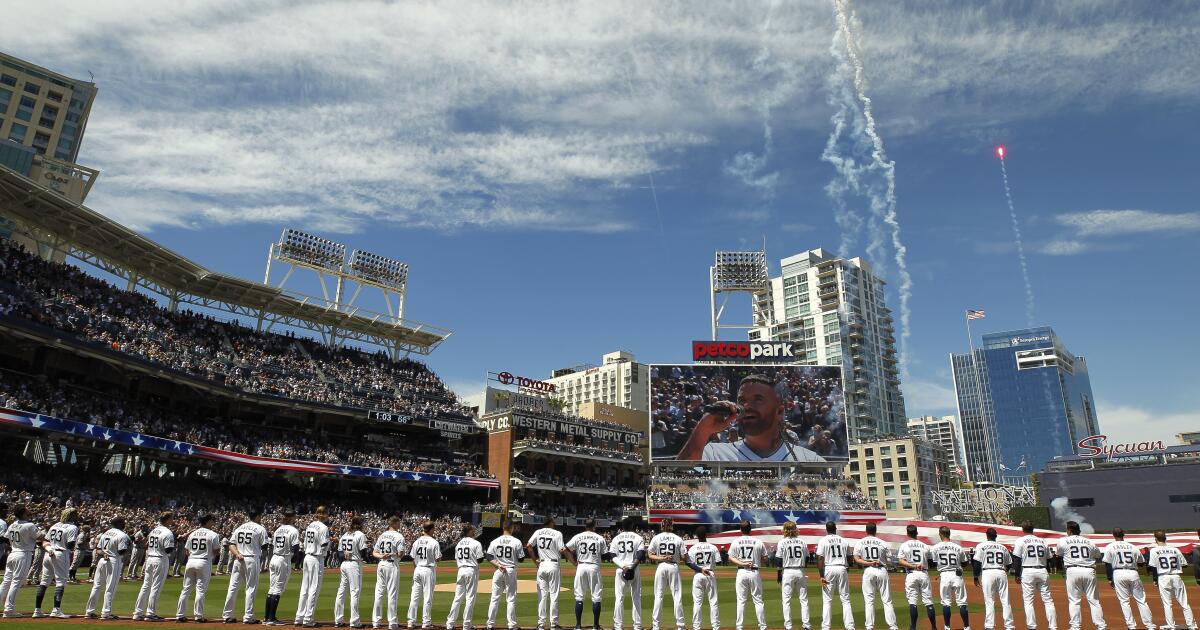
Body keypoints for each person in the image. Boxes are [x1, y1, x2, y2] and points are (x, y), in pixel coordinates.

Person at [676, 374, 825, 462]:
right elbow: (674, 481)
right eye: (741, 400)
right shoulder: (714, 453)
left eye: (758, 399)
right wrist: (703, 429)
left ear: (779, 412)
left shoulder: (809, 460)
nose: (746, 406)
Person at [1102, 528, 1155, 630]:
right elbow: (1141, 563)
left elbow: (1108, 564)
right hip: (1133, 572)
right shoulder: (1133, 547)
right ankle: (1150, 626)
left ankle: (1131, 626)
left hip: (1118, 573)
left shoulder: (1110, 547)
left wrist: (1110, 578)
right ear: (1123, 535)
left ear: (1113, 535)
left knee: (1124, 601)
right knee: (1141, 600)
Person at [1056, 521, 1106, 630]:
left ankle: (1075, 626)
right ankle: (1101, 626)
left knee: (1074, 601)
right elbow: (1098, 555)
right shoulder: (1089, 541)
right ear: (1079, 531)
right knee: (1094, 601)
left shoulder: (1063, 540)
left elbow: (1058, 554)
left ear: (1069, 530)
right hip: (1089, 570)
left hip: (1072, 570)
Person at [32, 507, 80, 619]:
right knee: (60, 582)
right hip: (61, 554)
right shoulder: (72, 527)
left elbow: (45, 541)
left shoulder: (55, 525)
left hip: (49, 553)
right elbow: (70, 545)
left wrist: (49, 549)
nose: (77, 516)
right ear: (71, 516)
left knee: (44, 582)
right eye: (75, 514)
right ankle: (56, 610)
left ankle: (37, 610)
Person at [224, 511, 270, 624]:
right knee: (251, 588)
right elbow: (265, 547)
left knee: (233, 587)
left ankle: (227, 615)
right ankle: (249, 616)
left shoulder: (240, 527)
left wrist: (237, 554)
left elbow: (231, 544)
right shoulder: (260, 528)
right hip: (252, 559)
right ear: (258, 516)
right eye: (261, 516)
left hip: (238, 559)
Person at [83, 516, 131, 620]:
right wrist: (128, 548)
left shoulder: (106, 533)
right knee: (110, 587)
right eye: (123, 522)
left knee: (96, 586)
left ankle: (89, 611)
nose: (124, 524)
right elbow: (121, 551)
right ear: (119, 524)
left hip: (102, 561)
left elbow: (98, 549)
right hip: (114, 560)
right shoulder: (122, 535)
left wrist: (104, 553)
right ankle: (106, 613)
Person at [176, 513, 222, 623]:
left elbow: (187, 550)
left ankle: (180, 615)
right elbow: (216, 551)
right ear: (208, 521)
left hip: (191, 561)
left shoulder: (193, 533)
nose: (213, 522)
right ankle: (198, 616)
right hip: (204, 561)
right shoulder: (213, 534)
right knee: (200, 590)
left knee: (186, 589)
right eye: (212, 520)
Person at [1147, 530, 1195, 630]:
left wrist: (1155, 579)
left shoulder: (1154, 550)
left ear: (1156, 539)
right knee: (1184, 602)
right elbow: (1184, 564)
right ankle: (1191, 626)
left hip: (1163, 577)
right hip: (1176, 576)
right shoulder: (1175, 549)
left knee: (1167, 603)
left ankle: (1171, 626)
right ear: (1166, 538)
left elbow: (1153, 567)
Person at [1012, 521, 1056, 630]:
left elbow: (1017, 559)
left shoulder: (1020, 540)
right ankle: (1053, 627)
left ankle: (1032, 627)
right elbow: (1051, 559)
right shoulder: (1042, 541)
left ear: (1023, 529)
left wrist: (1017, 575)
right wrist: (1049, 570)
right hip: (1042, 570)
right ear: (1033, 529)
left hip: (1028, 571)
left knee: (1028, 601)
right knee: (1048, 600)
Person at [132, 511, 175, 621]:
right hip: (160, 559)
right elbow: (168, 549)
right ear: (168, 519)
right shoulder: (168, 532)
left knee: (146, 586)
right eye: (171, 518)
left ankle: (138, 612)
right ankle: (150, 613)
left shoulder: (153, 530)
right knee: (156, 586)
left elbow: (147, 544)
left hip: (150, 559)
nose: (173, 520)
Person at [854, 522, 898, 630]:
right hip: (881, 569)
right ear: (875, 531)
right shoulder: (883, 543)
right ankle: (893, 626)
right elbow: (889, 560)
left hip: (868, 570)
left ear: (866, 531)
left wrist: (869, 563)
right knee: (887, 600)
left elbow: (857, 559)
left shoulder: (860, 542)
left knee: (869, 601)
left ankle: (869, 626)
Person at [566, 518, 608, 630]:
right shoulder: (599, 538)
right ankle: (595, 626)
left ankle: (578, 625)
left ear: (585, 526)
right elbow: (605, 554)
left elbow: (564, 549)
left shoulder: (578, 536)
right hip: (594, 566)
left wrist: (573, 562)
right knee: (596, 597)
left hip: (581, 566)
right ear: (594, 526)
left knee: (579, 596)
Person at [527, 517, 567, 630]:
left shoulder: (538, 532)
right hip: (553, 565)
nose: (554, 523)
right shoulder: (557, 533)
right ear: (550, 523)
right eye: (553, 521)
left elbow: (529, 546)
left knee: (542, 596)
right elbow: (562, 550)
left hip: (542, 565)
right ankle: (554, 624)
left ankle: (541, 623)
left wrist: (535, 561)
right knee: (554, 595)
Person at [0, 506, 40, 618]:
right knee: (16, 582)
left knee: (6, 581)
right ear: (23, 514)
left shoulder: (12, 524)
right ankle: (9, 609)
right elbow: (40, 536)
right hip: (23, 554)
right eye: (27, 512)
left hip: (12, 553)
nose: (30, 513)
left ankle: (8, 608)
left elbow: (6, 538)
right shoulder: (29, 525)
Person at [929, 526, 971, 630]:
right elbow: (965, 563)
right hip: (957, 575)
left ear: (940, 534)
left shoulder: (935, 547)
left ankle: (947, 627)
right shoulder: (958, 547)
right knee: (962, 602)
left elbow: (933, 564)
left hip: (944, 575)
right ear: (949, 534)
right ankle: (966, 627)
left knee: (946, 603)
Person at [485, 519, 525, 630]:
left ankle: (490, 624)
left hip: (498, 570)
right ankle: (511, 625)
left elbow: (488, 557)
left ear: (503, 528)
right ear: (511, 528)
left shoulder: (495, 541)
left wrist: (498, 564)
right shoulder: (516, 541)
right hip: (510, 570)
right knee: (511, 599)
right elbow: (521, 559)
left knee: (494, 598)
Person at [296, 506, 332, 628]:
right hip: (316, 558)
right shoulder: (323, 527)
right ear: (325, 514)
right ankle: (308, 619)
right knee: (314, 588)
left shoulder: (310, 525)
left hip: (307, 556)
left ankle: (299, 617)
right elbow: (324, 544)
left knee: (304, 588)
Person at [728, 520, 768, 630]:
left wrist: (742, 563)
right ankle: (763, 626)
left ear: (741, 529)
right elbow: (765, 558)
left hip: (741, 571)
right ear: (751, 529)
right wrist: (757, 560)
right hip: (754, 571)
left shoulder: (736, 541)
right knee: (758, 601)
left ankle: (739, 626)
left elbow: (730, 557)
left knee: (741, 601)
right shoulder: (758, 541)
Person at [648, 518, 686, 630]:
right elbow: (684, 557)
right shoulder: (678, 538)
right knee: (677, 597)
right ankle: (681, 626)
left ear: (661, 526)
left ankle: (656, 626)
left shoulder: (656, 538)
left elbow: (650, 555)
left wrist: (662, 557)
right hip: (673, 566)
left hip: (661, 566)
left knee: (658, 596)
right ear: (671, 526)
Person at [973, 528, 1014, 630]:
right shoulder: (1003, 547)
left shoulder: (981, 546)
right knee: (1005, 601)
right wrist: (1004, 570)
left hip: (988, 573)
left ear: (987, 535)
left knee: (989, 601)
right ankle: (1009, 626)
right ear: (996, 536)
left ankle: (990, 626)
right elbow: (1009, 563)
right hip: (1001, 572)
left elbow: (977, 563)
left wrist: (975, 576)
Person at [896, 524, 936, 630]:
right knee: (928, 601)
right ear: (917, 533)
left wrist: (912, 565)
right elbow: (931, 562)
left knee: (913, 601)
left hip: (911, 574)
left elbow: (900, 560)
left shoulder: (904, 545)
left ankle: (913, 627)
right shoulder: (925, 546)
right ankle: (933, 627)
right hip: (923, 573)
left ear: (907, 533)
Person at [609, 518, 646, 630]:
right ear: (632, 526)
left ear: (622, 526)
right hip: (634, 569)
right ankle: (638, 626)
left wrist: (623, 567)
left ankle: (618, 626)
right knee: (636, 597)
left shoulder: (616, 538)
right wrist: (631, 568)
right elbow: (640, 555)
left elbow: (612, 555)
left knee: (619, 598)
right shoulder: (638, 537)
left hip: (621, 569)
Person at [816, 521, 854, 630]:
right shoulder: (844, 540)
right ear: (835, 529)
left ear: (826, 529)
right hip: (842, 567)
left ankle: (826, 627)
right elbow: (849, 558)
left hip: (829, 568)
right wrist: (847, 568)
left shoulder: (823, 540)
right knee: (845, 599)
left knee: (827, 599)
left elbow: (820, 558)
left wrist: (821, 575)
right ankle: (850, 626)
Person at [265, 511, 301, 626]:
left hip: (274, 558)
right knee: (278, 589)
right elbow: (296, 548)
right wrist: (295, 561)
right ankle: (271, 619)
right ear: (292, 517)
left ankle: (267, 617)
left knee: (272, 588)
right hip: (283, 559)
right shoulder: (293, 530)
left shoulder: (278, 529)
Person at [333, 516, 369, 628]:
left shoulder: (345, 535)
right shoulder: (360, 535)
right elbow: (363, 553)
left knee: (341, 591)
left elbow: (339, 553)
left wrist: (345, 556)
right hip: (354, 564)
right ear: (360, 524)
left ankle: (338, 620)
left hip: (344, 564)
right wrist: (367, 556)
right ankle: (355, 621)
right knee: (355, 591)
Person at [447, 523, 485, 630]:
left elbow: (456, 558)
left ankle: (450, 623)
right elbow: (480, 559)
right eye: (473, 530)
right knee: (470, 598)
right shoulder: (476, 543)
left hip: (461, 570)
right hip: (471, 570)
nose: (474, 531)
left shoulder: (459, 544)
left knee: (457, 597)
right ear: (469, 532)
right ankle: (466, 624)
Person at [372, 514, 406, 630]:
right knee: (392, 594)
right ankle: (392, 623)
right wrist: (392, 554)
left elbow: (374, 553)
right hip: (391, 565)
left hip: (381, 564)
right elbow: (401, 554)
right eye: (399, 522)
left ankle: (376, 622)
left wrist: (382, 556)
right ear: (395, 523)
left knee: (379, 593)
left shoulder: (382, 535)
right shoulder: (398, 536)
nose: (400, 524)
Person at [774, 521, 809, 630]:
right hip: (800, 570)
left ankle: (788, 626)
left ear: (785, 530)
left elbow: (779, 560)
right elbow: (807, 557)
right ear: (795, 529)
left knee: (786, 600)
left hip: (788, 572)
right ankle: (807, 625)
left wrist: (779, 574)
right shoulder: (802, 541)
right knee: (804, 600)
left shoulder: (782, 542)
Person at [408, 519, 442, 629]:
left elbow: (413, 558)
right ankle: (426, 622)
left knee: (414, 597)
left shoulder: (416, 541)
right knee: (427, 597)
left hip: (417, 569)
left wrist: (416, 568)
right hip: (428, 569)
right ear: (431, 529)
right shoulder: (434, 542)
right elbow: (438, 558)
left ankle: (411, 622)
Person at [686, 527, 720, 630]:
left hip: (698, 574)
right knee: (713, 601)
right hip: (710, 573)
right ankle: (715, 627)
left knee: (697, 602)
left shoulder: (692, 548)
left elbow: (690, 563)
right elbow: (718, 561)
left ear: (696, 536)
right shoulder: (713, 547)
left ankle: (696, 627)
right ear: (706, 535)